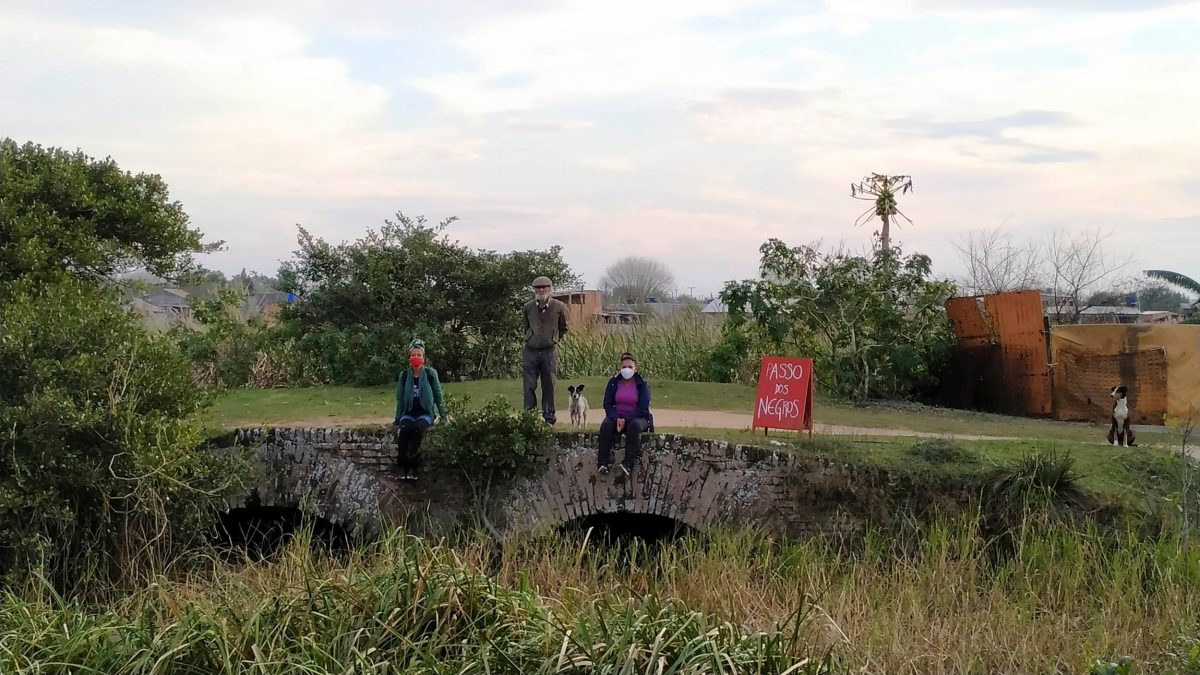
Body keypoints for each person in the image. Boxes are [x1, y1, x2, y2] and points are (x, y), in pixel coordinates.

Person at [393, 339, 447, 481]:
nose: (416, 357)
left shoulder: (430, 374)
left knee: (418, 431)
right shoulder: (404, 375)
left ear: (424, 358)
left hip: (425, 413)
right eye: (413, 355)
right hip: (409, 413)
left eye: (419, 355)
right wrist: (397, 419)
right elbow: (399, 398)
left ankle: (414, 468)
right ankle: (403, 468)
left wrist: (444, 416)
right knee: (404, 432)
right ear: (409, 358)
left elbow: (438, 395)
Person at [598, 352, 654, 476]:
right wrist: (616, 417)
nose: (626, 370)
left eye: (629, 367)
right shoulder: (614, 382)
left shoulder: (642, 384)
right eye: (624, 367)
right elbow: (607, 403)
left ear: (635, 368)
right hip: (617, 417)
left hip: (637, 417)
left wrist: (626, 419)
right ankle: (603, 463)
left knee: (634, 427)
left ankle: (628, 464)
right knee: (606, 425)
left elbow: (643, 407)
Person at [522, 275, 569, 424]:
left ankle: (549, 417)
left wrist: (554, 339)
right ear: (534, 289)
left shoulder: (559, 307)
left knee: (549, 384)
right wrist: (530, 338)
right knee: (529, 385)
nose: (541, 290)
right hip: (531, 351)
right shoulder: (528, 307)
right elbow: (525, 326)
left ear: (550, 288)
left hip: (549, 351)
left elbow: (564, 327)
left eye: (544, 287)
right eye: (538, 287)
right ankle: (529, 416)